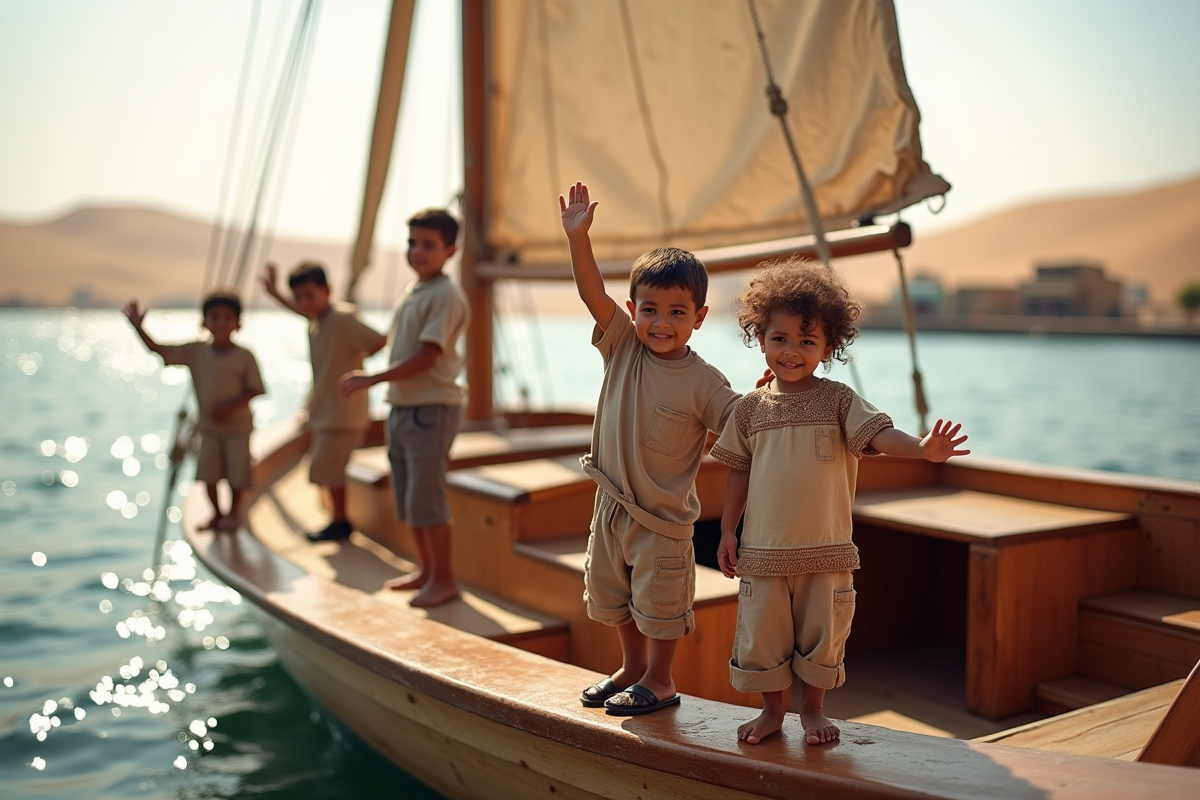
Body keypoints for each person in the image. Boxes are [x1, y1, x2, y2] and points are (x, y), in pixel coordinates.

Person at [710, 258, 970, 746]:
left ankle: (812, 710)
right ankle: (772, 713)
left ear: (829, 347)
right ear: (759, 337)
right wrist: (727, 530)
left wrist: (921, 447)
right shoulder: (749, 409)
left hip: (826, 552)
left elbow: (882, 434)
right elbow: (738, 470)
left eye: (807, 342)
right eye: (780, 339)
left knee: (822, 636)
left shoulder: (839, 400)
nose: (791, 352)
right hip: (763, 554)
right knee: (762, 638)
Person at [560, 181, 741, 716]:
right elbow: (591, 292)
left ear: (699, 317)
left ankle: (660, 679)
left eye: (677, 313)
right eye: (651, 310)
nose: (662, 323)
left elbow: (738, 422)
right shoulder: (621, 348)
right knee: (614, 597)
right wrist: (578, 240)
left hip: (661, 522)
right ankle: (631, 668)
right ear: (632, 310)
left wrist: (766, 397)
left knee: (661, 605)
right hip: (611, 508)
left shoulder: (705, 381)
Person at [339, 209, 469, 608]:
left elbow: (428, 356)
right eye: (412, 243)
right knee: (412, 496)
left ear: (450, 250)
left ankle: (444, 580)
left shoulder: (446, 296)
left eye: (428, 245)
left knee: (427, 499)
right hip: (404, 408)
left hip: (430, 409)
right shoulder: (415, 292)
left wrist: (372, 379)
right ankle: (426, 572)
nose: (417, 251)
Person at [261, 261, 386, 541]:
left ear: (327, 291)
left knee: (327, 468)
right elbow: (304, 310)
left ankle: (340, 522)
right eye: (299, 297)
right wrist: (274, 293)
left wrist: (361, 364)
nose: (304, 303)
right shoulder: (319, 321)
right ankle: (338, 520)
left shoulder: (342, 318)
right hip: (327, 412)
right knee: (326, 468)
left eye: (310, 295)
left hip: (343, 412)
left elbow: (379, 340)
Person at [123, 290, 265, 532]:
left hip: (238, 430)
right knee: (208, 475)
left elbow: (256, 389)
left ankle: (233, 515)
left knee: (237, 474)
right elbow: (159, 349)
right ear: (204, 322)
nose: (221, 322)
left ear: (238, 324)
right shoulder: (195, 352)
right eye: (215, 317)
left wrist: (229, 407)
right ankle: (217, 514)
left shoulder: (244, 356)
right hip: (209, 429)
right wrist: (139, 328)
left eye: (227, 317)